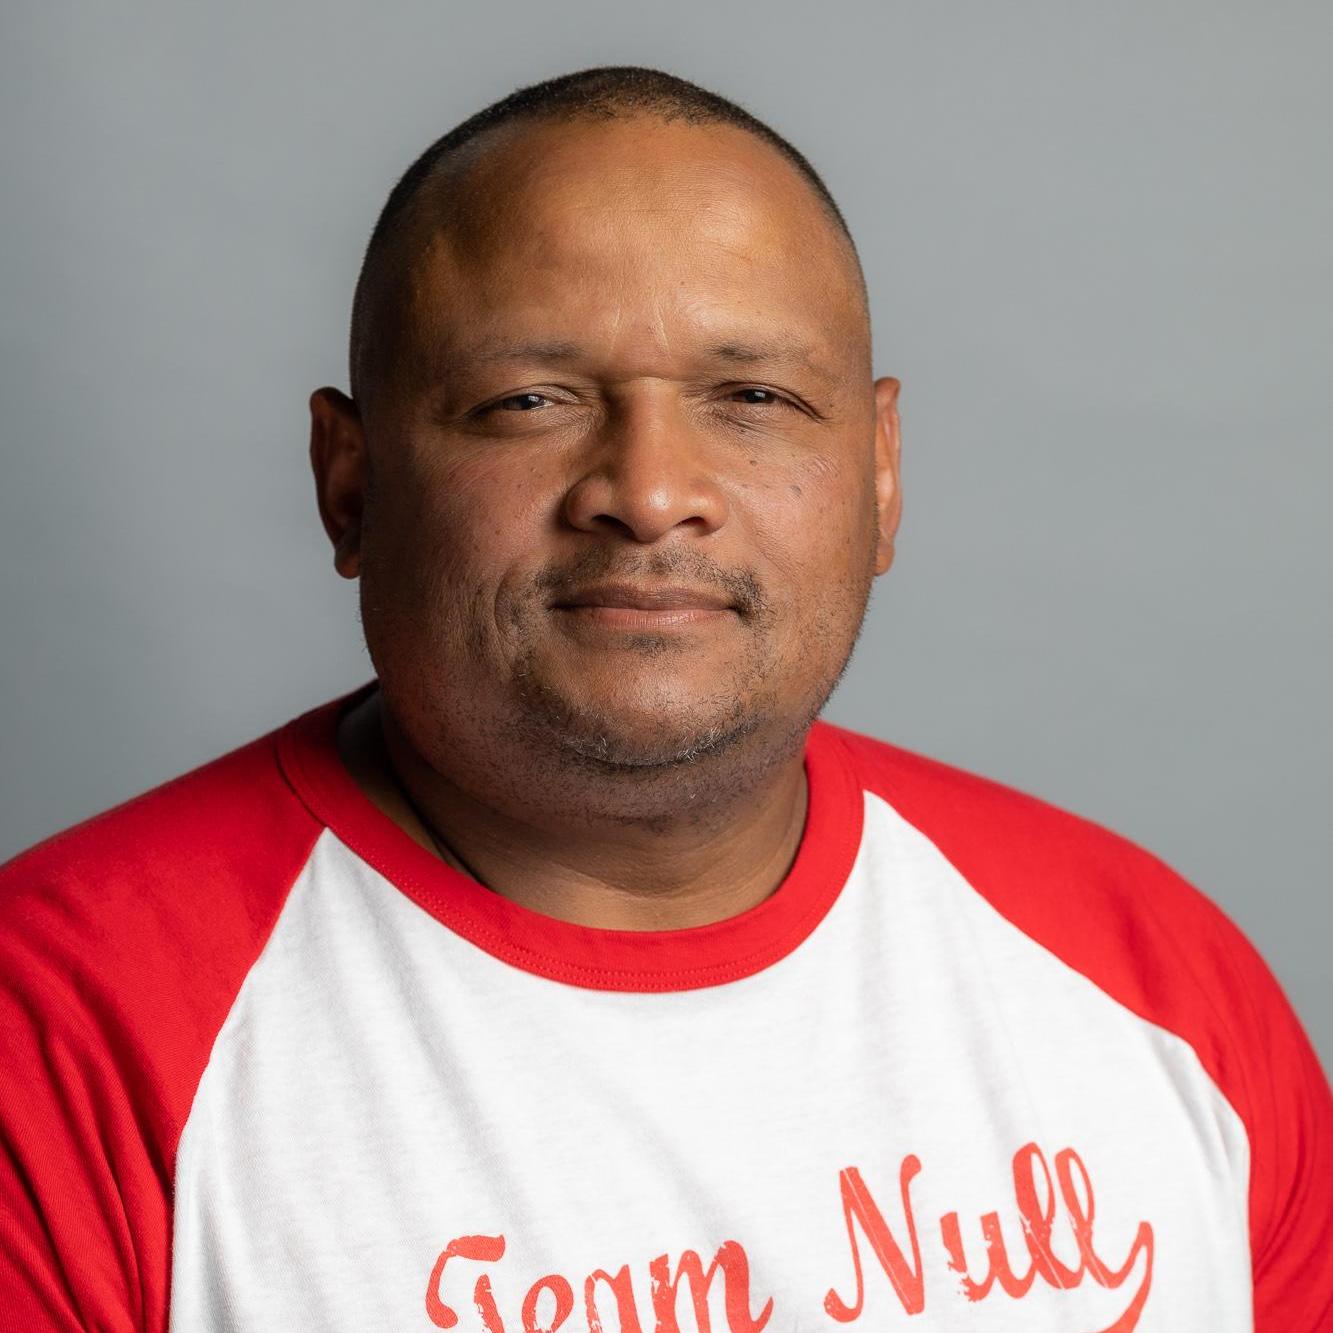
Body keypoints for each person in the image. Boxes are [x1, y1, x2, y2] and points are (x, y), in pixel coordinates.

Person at [0, 64, 1329, 1333]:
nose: (646, 493)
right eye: (526, 399)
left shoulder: (1158, 985)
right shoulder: (57, 1035)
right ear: (349, 483)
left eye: (752, 396)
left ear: (879, 476)